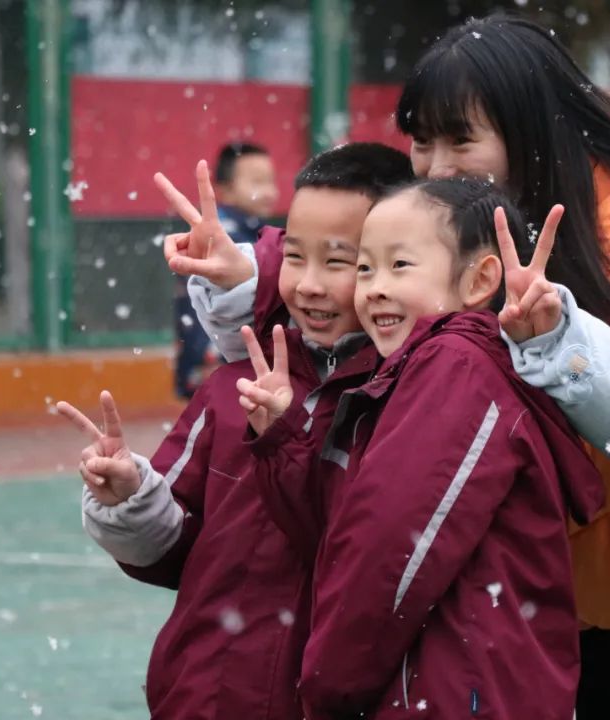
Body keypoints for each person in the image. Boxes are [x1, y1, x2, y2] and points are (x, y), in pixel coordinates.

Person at [190, 13, 610, 719]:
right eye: (422, 141)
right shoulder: (467, 217)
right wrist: (254, 275)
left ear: (531, 131)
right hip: (586, 576)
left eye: (461, 140)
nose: (436, 166)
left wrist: (555, 363)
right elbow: (364, 246)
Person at [57, 142, 414, 720]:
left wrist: (287, 438)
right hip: (202, 695)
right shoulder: (233, 387)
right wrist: (130, 498)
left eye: (339, 262)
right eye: (294, 258)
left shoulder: (405, 401)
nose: (309, 285)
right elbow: (175, 548)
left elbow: (369, 556)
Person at [238, 177, 604, 719]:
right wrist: (284, 440)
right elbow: (336, 532)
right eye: (365, 268)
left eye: (399, 266)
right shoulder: (410, 374)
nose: (375, 288)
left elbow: (391, 551)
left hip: (452, 698)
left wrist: (327, 687)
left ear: (479, 280)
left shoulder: (455, 366)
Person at [173, 142, 278, 398]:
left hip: (217, 358)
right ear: (225, 189)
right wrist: (208, 356)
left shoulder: (253, 232)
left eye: (270, 181)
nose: (270, 191)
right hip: (220, 360)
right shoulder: (226, 237)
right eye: (257, 182)